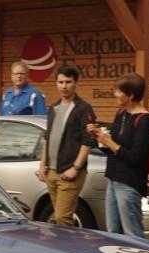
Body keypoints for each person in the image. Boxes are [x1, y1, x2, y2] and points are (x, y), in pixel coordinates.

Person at [87, 73, 149, 238]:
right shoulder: (121, 113)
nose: (115, 94)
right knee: (113, 232)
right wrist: (98, 137)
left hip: (129, 182)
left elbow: (137, 157)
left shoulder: (144, 120)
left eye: (118, 91)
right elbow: (111, 146)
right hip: (113, 177)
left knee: (133, 233)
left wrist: (110, 143)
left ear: (130, 95)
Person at [37, 65, 96, 226]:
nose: (64, 86)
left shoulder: (83, 108)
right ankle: (66, 247)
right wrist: (42, 165)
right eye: (60, 82)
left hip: (70, 172)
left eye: (68, 82)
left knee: (63, 218)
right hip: (52, 172)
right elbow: (47, 137)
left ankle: (69, 248)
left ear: (75, 83)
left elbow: (88, 141)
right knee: (60, 218)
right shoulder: (53, 108)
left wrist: (75, 168)